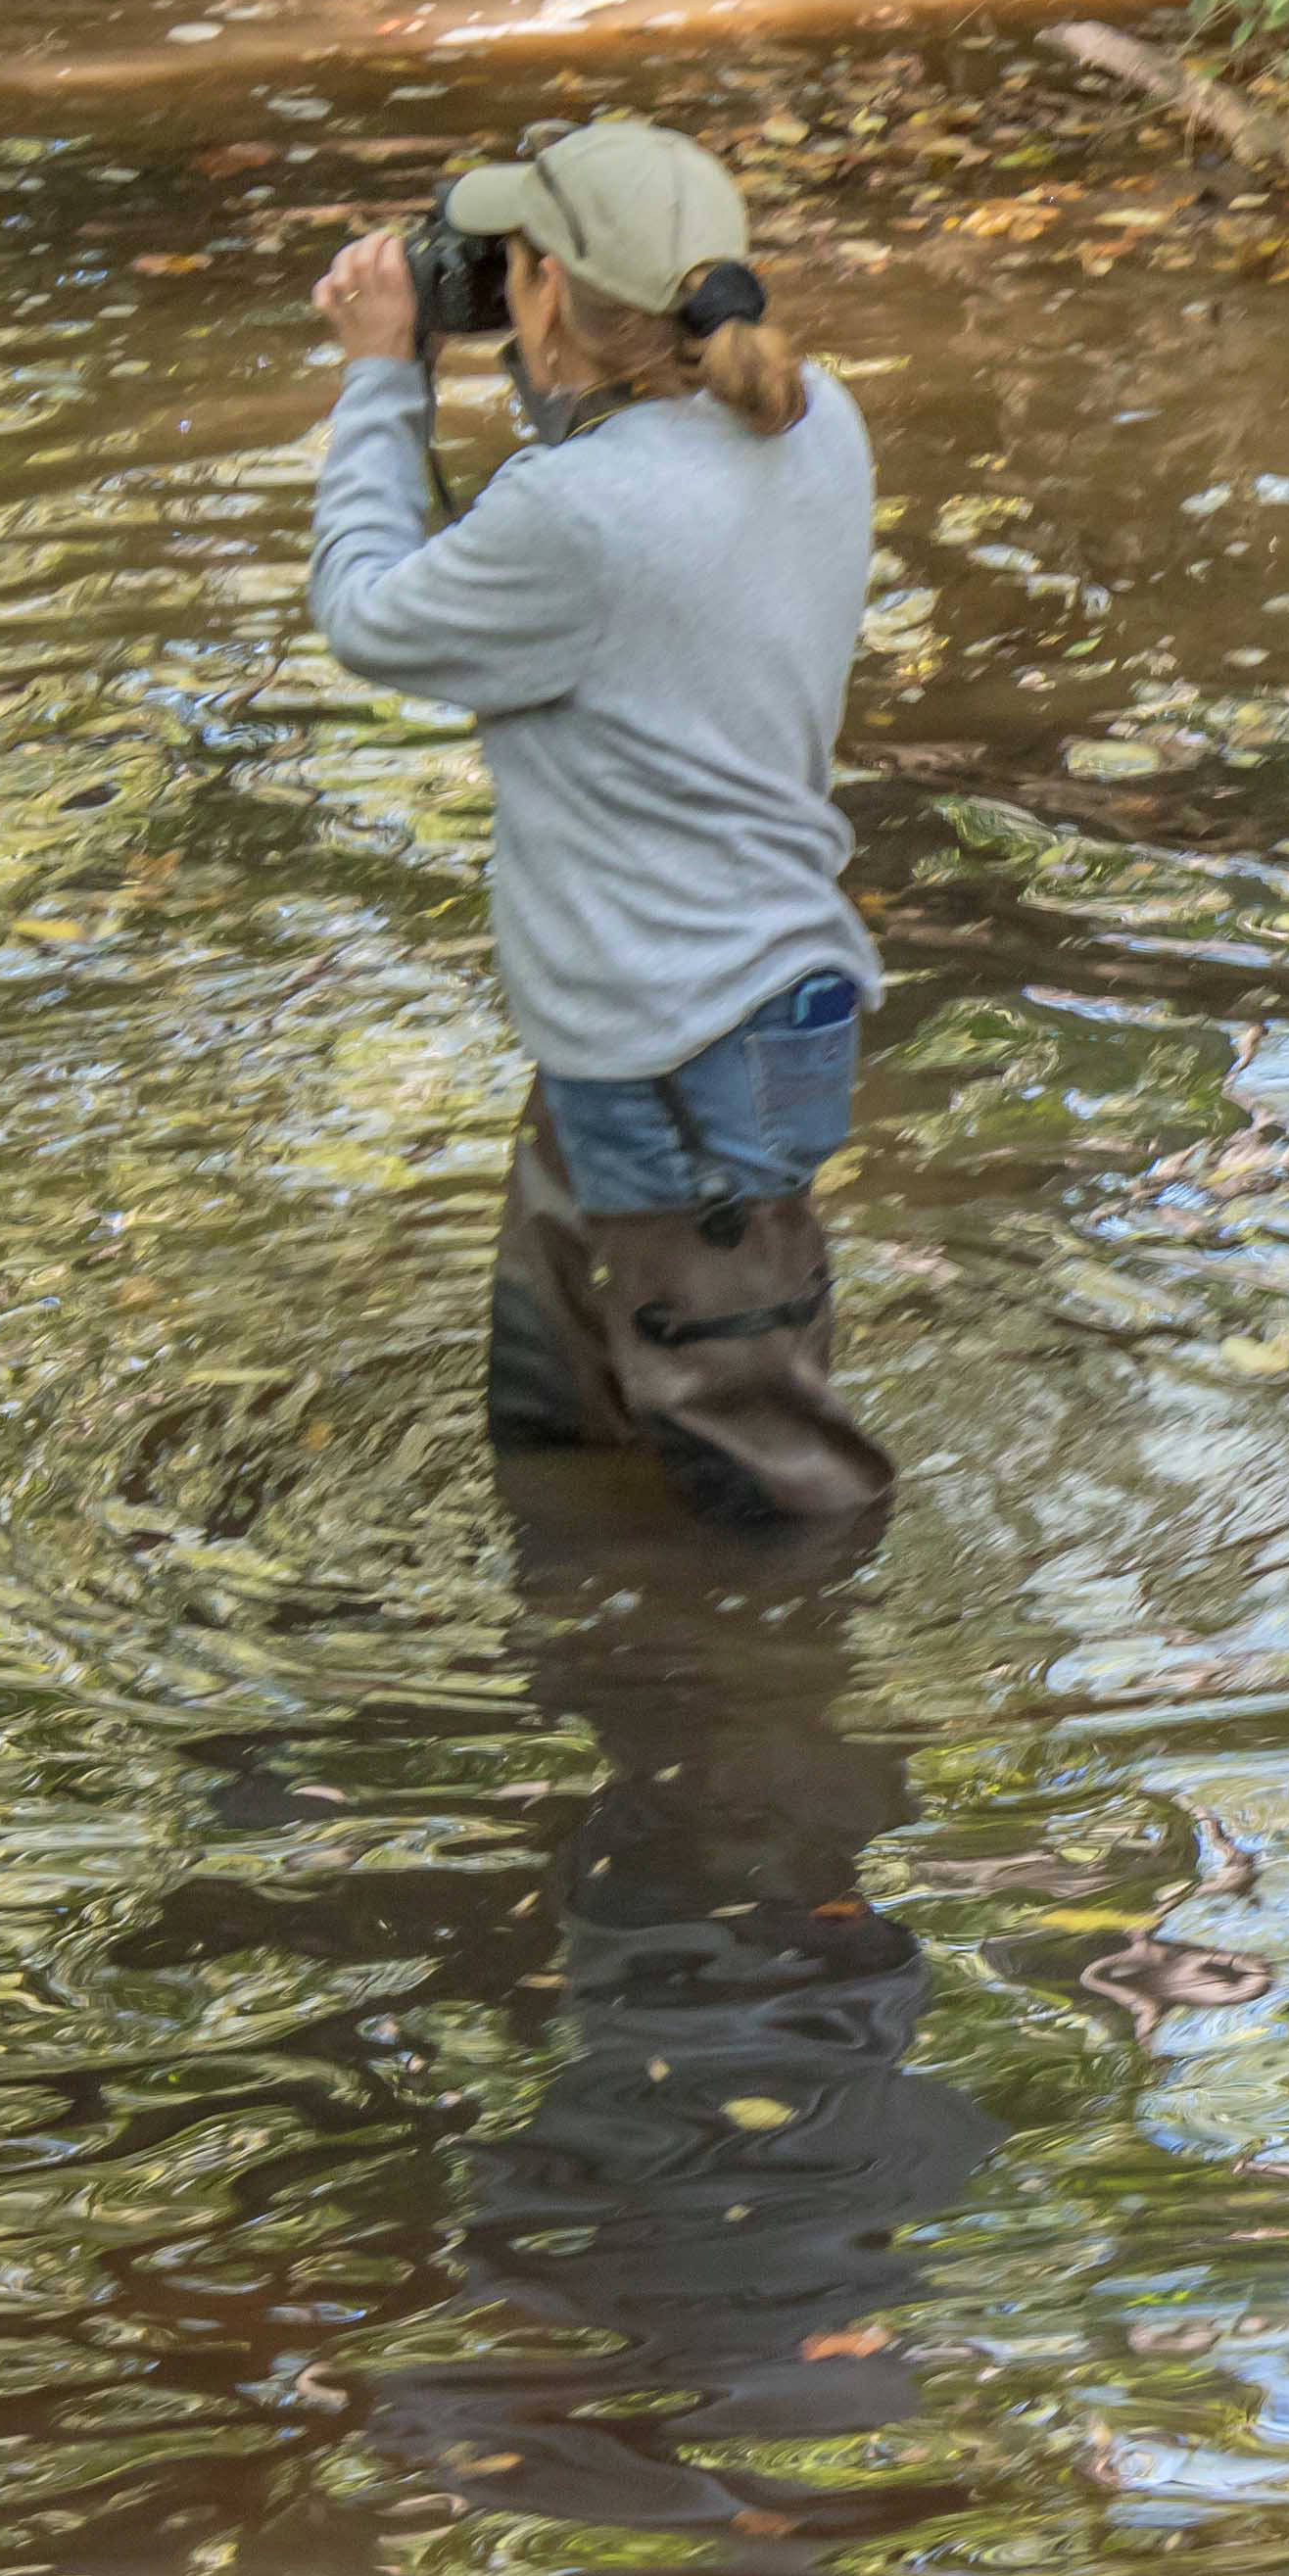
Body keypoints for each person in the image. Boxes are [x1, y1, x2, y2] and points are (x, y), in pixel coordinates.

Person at [306, 119, 895, 1524]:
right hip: (671, 1026)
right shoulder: (817, 421)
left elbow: (367, 612)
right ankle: (594, 1629)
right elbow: (637, 483)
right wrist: (546, 369)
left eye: (510, 264)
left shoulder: (572, 516)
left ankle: (800, 1662)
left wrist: (384, 377)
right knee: (561, 1416)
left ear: (552, 294)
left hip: (680, 1039)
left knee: (769, 1472)